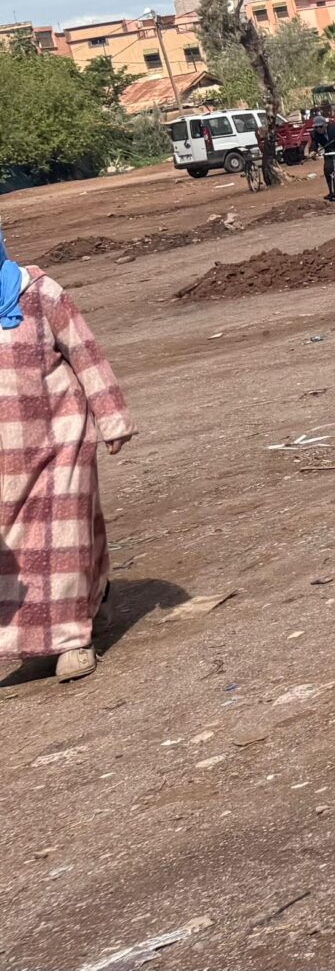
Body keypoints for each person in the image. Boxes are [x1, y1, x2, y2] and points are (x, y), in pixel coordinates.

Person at [0, 219, 133, 682]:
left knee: (63, 539)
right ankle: (59, 618)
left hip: (61, 437)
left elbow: (84, 351)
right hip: (6, 457)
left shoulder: (38, 292)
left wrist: (111, 416)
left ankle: (72, 639)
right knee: (15, 551)